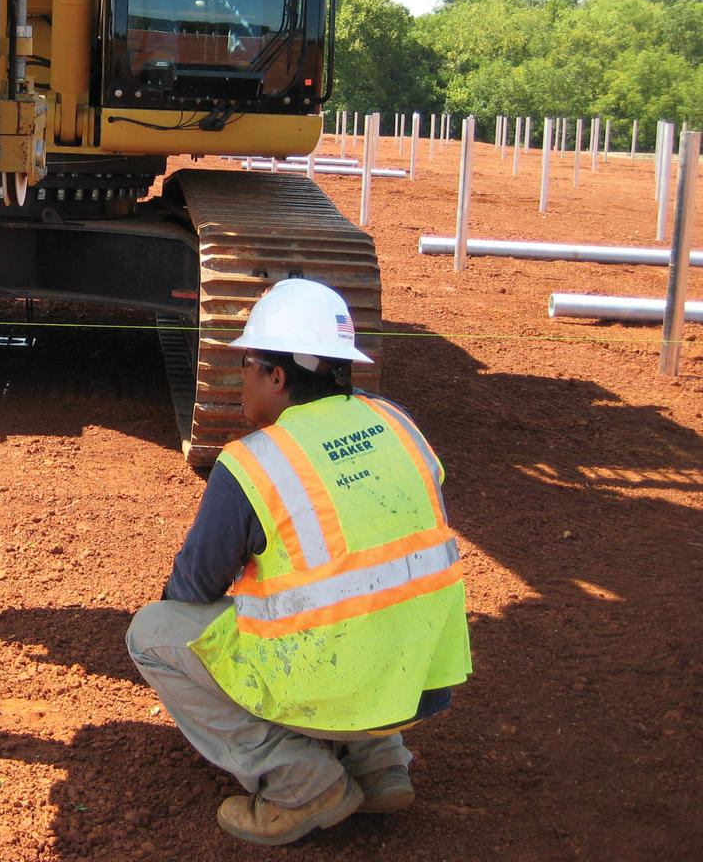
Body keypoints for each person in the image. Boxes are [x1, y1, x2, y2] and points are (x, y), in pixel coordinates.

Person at [126, 278, 471, 846]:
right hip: (418, 688)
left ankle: (302, 780)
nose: (241, 379)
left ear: (277, 376)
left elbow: (190, 589)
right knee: (360, 600)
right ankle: (381, 764)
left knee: (154, 633)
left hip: (330, 690)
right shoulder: (400, 425)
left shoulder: (254, 465)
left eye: (247, 366)